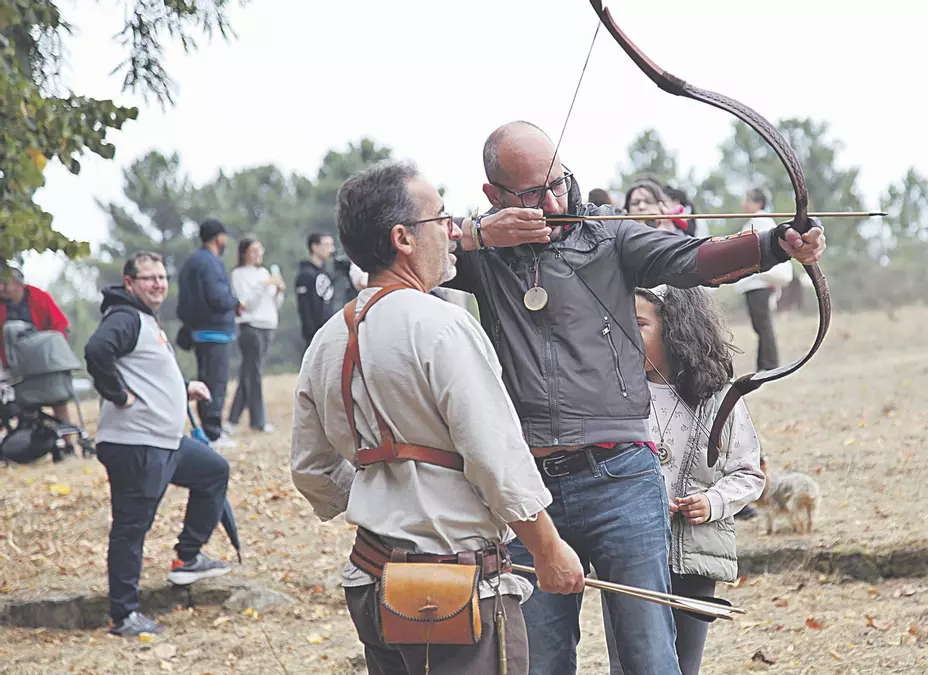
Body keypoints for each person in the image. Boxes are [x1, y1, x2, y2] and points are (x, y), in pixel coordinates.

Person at [442, 120, 825, 675]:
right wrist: (476, 235)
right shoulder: (483, 254)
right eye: (531, 194)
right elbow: (398, 250)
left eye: (558, 183)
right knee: (540, 661)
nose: (553, 202)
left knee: (649, 657)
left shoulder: (608, 234)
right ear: (494, 195)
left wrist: (775, 243)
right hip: (530, 491)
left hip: (621, 477)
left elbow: (694, 258)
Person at [290, 159, 585, 675]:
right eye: (441, 218)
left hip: (371, 577)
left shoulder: (328, 338)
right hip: (451, 592)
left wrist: (383, 498)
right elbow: (497, 460)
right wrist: (548, 549)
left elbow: (311, 470)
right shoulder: (443, 326)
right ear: (402, 238)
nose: (453, 231)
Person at [602, 285, 765, 675]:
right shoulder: (614, 394)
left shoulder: (718, 398)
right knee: (627, 666)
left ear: (675, 328)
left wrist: (711, 503)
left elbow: (748, 473)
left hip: (695, 557)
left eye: (639, 323)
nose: (626, 332)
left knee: (682, 665)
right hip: (630, 556)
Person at [85, 251, 234, 637]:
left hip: (164, 441)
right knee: (131, 528)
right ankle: (123, 616)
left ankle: (187, 559)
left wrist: (183, 388)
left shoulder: (145, 319)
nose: (158, 284)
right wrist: (118, 396)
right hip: (136, 443)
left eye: (162, 277)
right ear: (129, 283)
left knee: (214, 472)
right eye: (149, 278)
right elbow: (97, 351)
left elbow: (146, 371)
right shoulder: (125, 316)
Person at [0, 265, 82, 455]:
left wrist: (53, 352)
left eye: (5, 283)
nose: (1, 288)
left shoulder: (39, 297)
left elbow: (59, 326)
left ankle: (68, 444)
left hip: (43, 361)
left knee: (58, 398)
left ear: (19, 284)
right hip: (10, 364)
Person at [176, 218, 242, 446]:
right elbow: (217, 296)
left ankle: (207, 429)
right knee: (216, 382)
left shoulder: (191, 262)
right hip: (215, 331)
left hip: (198, 332)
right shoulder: (211, 263)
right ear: (219, 238)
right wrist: (235, 303)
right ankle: (213, 432)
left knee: (206, 380)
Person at [228, 236, 285, 434]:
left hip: (268, 324)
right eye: (254, 250)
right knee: (254, 374)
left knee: (249, 373)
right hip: (250, 325)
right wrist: (262, 285)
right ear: (244, 253)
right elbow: (247, 303)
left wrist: (278, 291)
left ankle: (233, 420)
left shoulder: (264, 272)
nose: (258, 254)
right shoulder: (238, 274)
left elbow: (274, 304)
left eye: (260, 249)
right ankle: (258, 420)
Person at [733, 187, 794, 371]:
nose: (744, 204)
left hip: (760, 283)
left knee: (763, 325)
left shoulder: (761, 222)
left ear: (758, 203)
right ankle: (764, 364)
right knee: (761, 326)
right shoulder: (757, 221)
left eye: (747, 200)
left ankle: (769, 365)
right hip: (756, 283)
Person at [295, 232, 337, 347]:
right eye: (326, 245)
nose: (331, 249)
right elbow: (304, 306)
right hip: (314, 333)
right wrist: (310, 332)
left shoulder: (327, 273)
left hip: (328, 328)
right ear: (315, 247)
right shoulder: (305, 275)